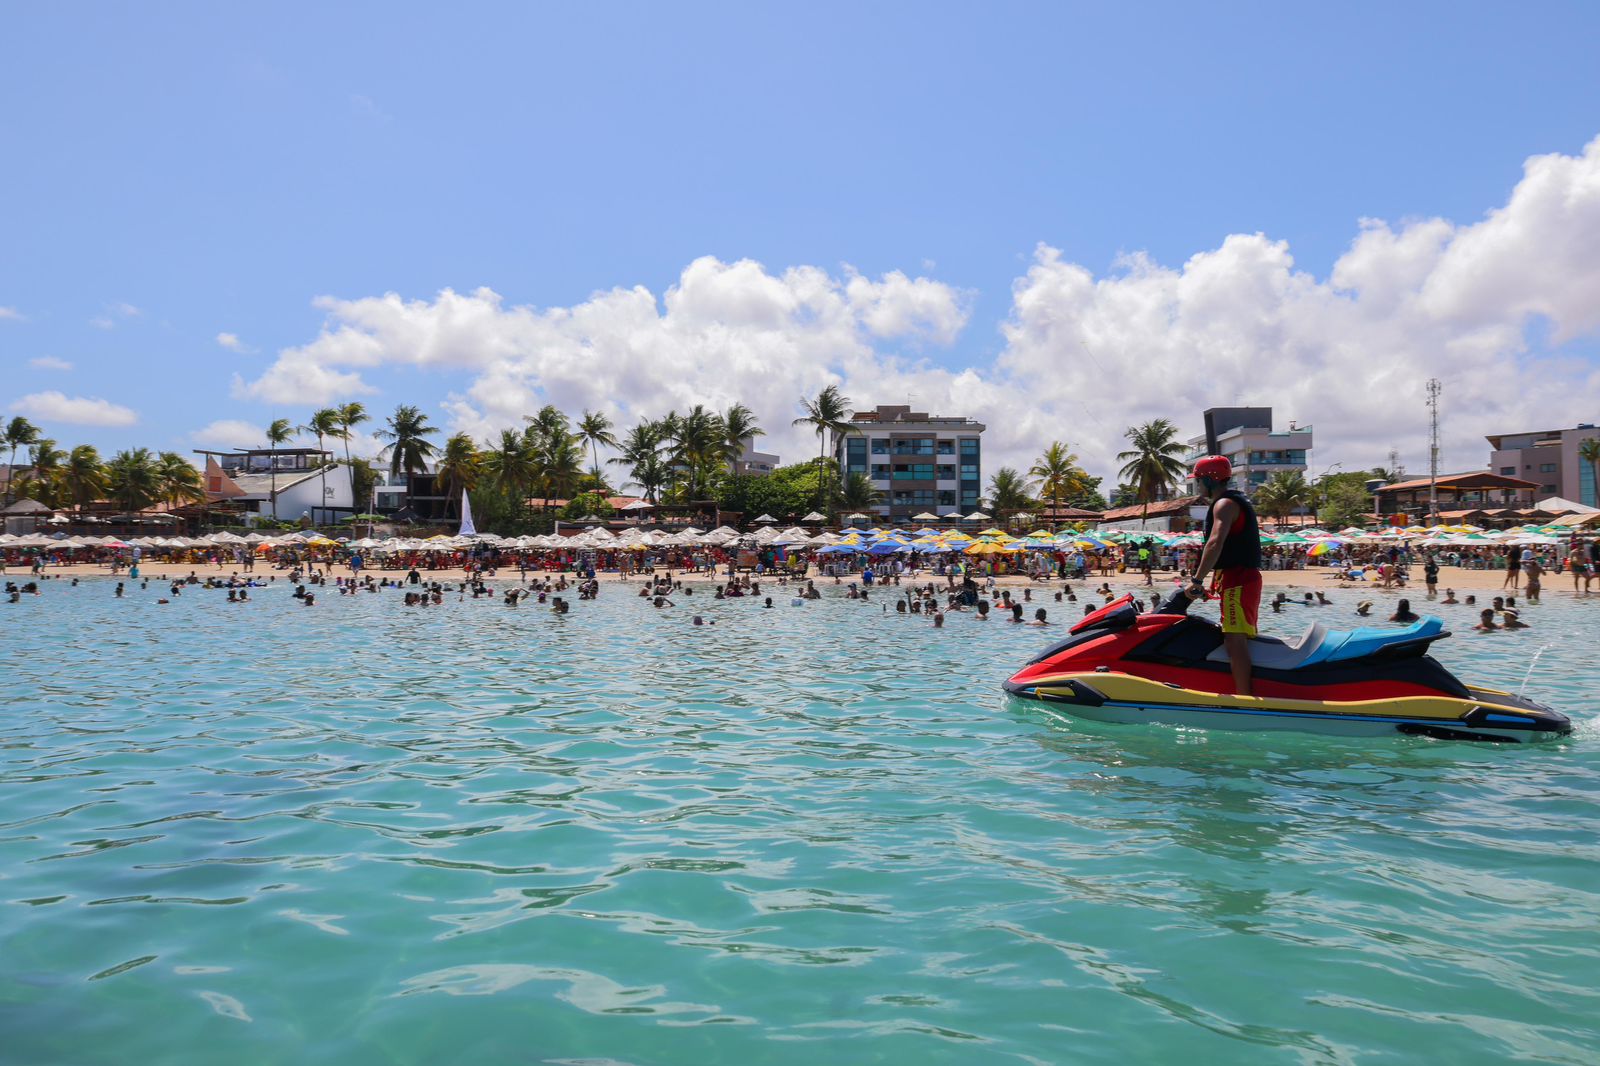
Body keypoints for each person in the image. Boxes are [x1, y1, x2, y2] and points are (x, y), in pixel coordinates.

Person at [1186, 455, 1261, 696]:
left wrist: (1196, 580)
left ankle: (1244, 697)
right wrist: (1212, 582)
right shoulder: (1229, 502)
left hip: (1239, 580)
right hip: (1236, 579)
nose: (1197, 485)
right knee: (1236, 636)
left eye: (1198, 480)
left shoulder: (1224, 504)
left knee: (1234, 639)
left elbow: (1215, 542)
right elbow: (1228, 549)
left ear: (1210, 480)